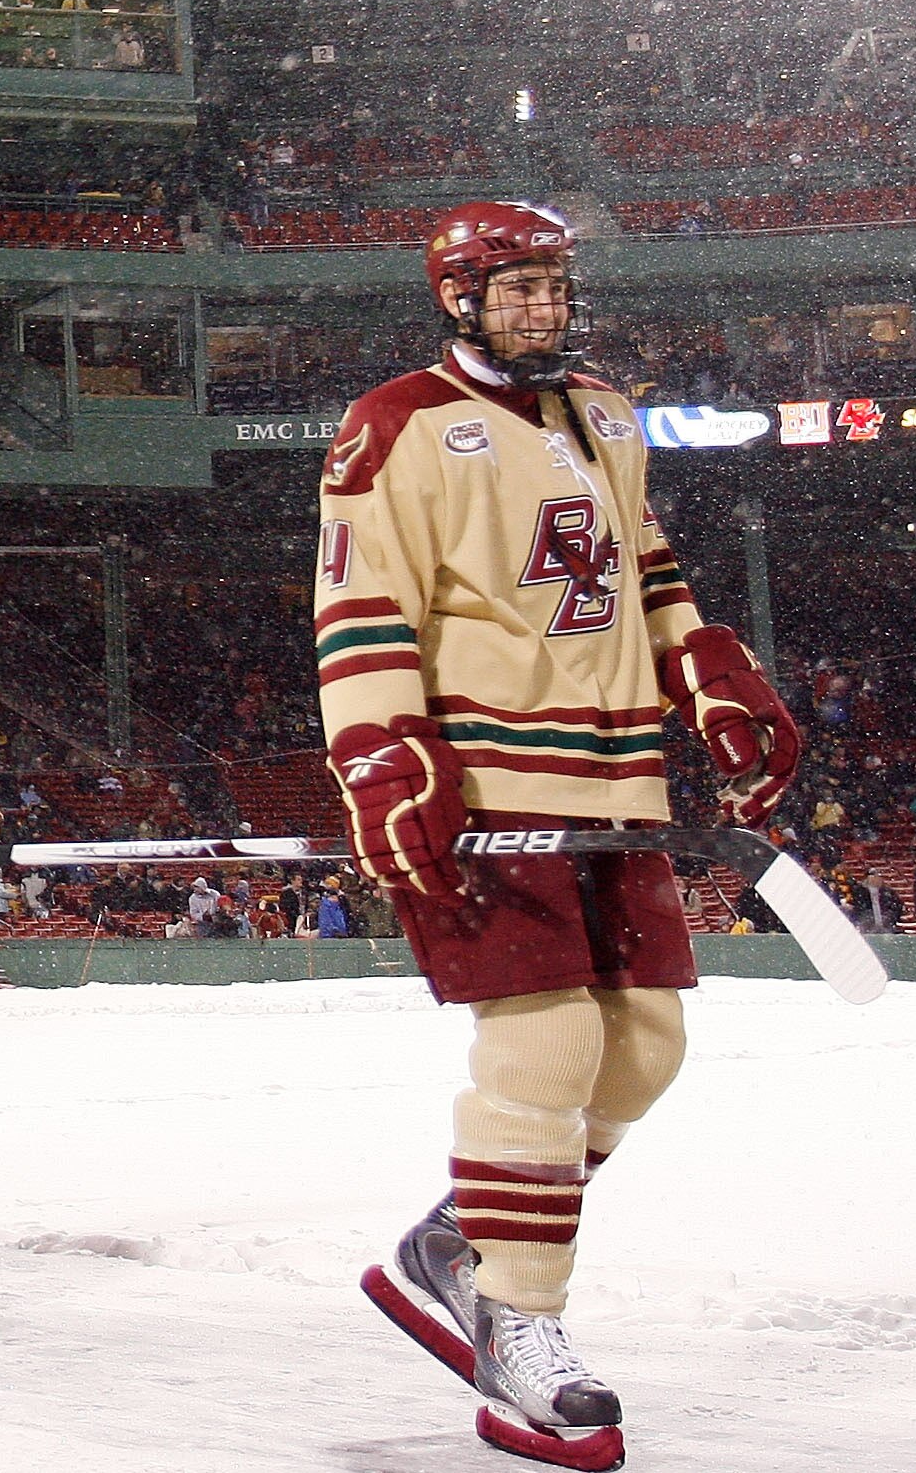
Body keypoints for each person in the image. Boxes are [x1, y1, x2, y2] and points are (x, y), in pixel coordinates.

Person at [322, 201, 800, 1461]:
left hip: (617, 780)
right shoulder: (395, 423)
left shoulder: (603, 408)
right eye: (514, 290)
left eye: (551, 287)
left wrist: (711, 669)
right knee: (544, 1050)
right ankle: (515, 1324)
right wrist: (381, 754)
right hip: (484, 783)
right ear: (457, 298)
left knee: (644, 1049)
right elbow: (362, 602)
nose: (541, 308)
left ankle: (454, 1237)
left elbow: (642, 566)